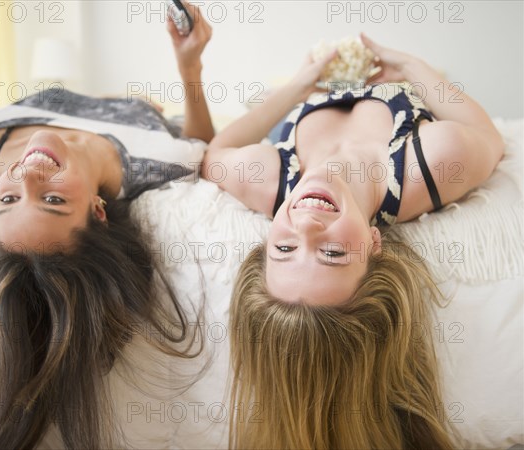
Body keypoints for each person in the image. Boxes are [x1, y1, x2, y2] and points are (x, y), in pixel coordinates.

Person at [0, 4, 213, 449]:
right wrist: (189, 66)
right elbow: (202, 142)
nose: (28, 174)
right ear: (98, 212)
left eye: (8, 199)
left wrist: (111, 103)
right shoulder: (157, 163)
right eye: (54, 200)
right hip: (153, 114)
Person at [203, 35, 504, 447]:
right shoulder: (431, 166)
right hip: (395, 82)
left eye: (284, 249)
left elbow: (215, 150)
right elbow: (487, 136)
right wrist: (410, 66)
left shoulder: (266, 178)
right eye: (332, 252)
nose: (306, 226)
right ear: (374, 244)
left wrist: (299, 86)